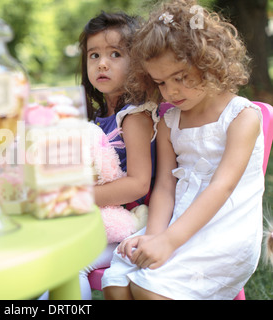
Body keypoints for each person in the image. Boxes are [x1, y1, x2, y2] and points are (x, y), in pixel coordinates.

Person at [102, 0, 264, 300]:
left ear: (209, 61)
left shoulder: (242, 117)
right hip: (176, 218)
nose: (171, 92)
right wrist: (154, 235)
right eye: (161, 82)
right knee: (117, 284)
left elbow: (222, 187)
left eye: (180, 78)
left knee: (147, 289)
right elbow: (165, 185)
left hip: (225, 231)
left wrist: (169, 241)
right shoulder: (170, 122)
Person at [76, 11, 159, 300]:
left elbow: (138, 185)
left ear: (137, 62)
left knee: (69, 263)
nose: (102, 63)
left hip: (134, 223)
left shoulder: (134, 116)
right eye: (94, 55)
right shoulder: (98, 118)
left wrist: (77, 195)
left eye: (115, 54)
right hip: (101, 216)